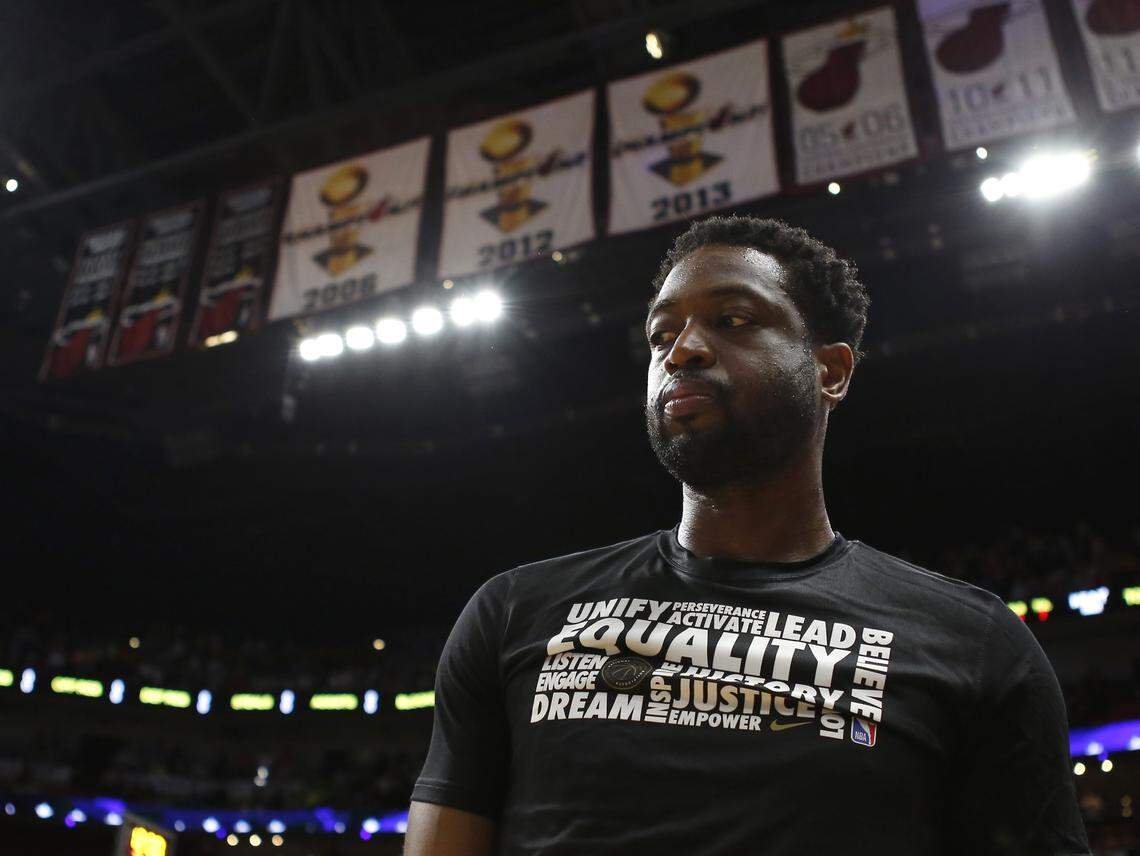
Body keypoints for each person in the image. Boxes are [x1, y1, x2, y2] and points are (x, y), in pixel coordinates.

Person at [404, 215, 1090, 855]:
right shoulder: (514, 612)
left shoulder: (976, 643)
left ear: (831, 370)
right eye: (660, 335)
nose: (683, 351)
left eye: (732, 319)